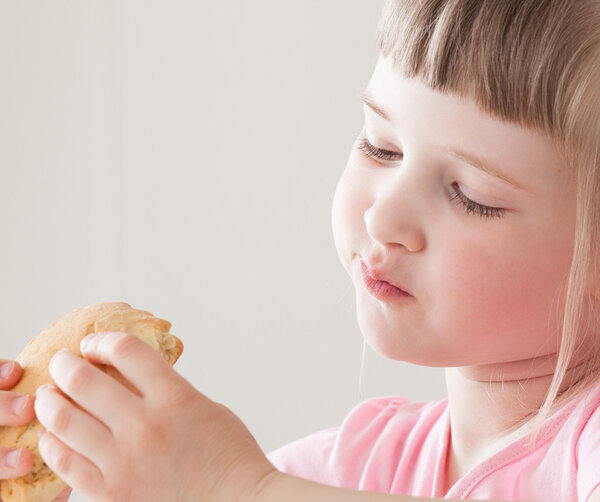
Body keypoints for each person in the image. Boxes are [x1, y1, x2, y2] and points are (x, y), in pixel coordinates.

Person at [2, 0, 600, 500]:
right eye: (380, 147)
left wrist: (238, 488)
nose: (382, 215)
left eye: (472, 196)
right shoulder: (344, 469)